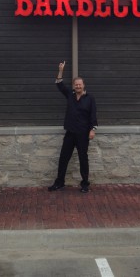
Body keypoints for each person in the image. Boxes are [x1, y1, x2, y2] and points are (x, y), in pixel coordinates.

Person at [48, 61, 98, 193]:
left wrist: (93, 129)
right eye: (76, 84)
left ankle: (85, 184)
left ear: (83, 85)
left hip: (83, 134)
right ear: (73, 86)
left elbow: (93, 115)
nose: (78, 86)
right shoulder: (70, 95)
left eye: (80, 84)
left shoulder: (90, 98)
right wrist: (60, 70)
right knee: (63, 157)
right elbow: (59, 85)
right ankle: (59, 182)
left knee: (83, 158)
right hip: (70, 132)